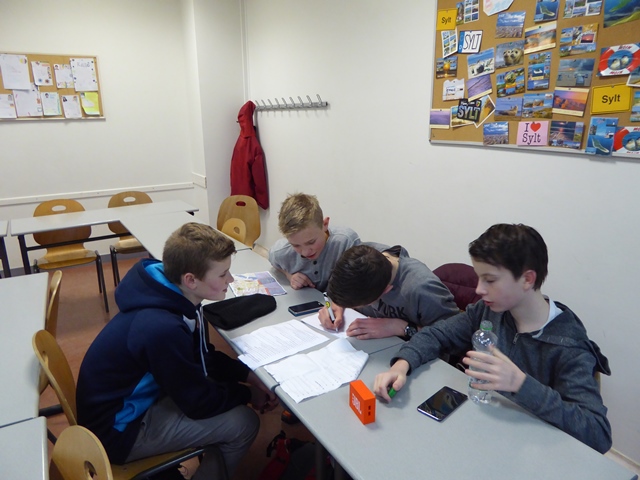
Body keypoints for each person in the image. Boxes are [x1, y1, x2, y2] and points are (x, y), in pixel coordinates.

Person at [373, 224, 612, 453]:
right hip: (481, 435)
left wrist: (521, 384)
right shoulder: (489, 310)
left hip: (528, 452)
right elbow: (438, 334)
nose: (479, 289)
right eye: (479, 278)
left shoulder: (568, 345)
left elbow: (598, 434)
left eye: (490, 280)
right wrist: (402, 365)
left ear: (527, 279)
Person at [76, 223, 278, 479]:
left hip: (123, 408)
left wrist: (247, 375)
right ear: (191, 280)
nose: (230, 280)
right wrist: (247, 394)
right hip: (116, 432)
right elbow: (197, 403)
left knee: (218, 391)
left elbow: (201, 357)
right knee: (244, 423)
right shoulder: (162, 328)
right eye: (223, 274)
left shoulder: (172, 294)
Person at [319, 244, 459, 339]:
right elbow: (340, 290)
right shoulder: (362, 256)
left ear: (386, 290)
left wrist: (401, 328)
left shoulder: (423, 289)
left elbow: (454, 336)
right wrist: (334, 304)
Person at [268, 193, 360, 291]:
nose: (305, 252)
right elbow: (273, 259)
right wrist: (289, 275)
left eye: (311, 242)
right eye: (296, 245)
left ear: (325, 224)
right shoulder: (280, 252)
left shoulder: (347, 242)